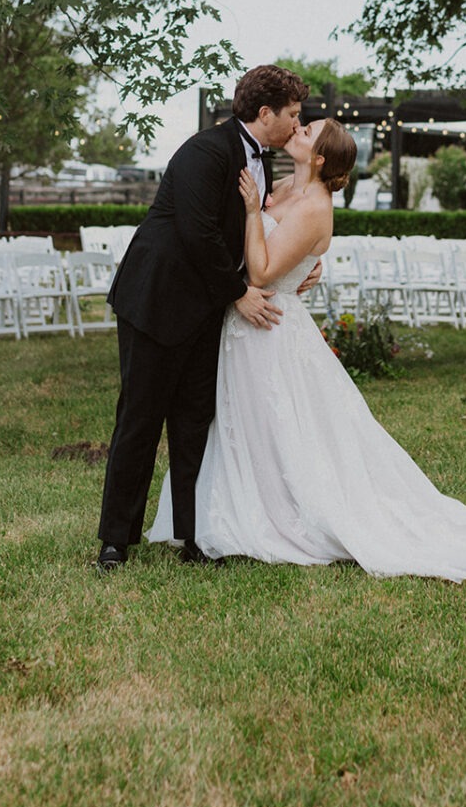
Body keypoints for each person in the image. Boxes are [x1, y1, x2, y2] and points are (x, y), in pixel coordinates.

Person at [149, 118, 466, 583]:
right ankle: (235, 513)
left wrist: (258, 225)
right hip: (243, 326)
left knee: (287, 428)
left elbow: (262, 271)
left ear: (322, 157)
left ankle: (284, 520)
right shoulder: (277, 185)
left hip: (273, 325)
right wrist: (281, 246)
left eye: (309, 131)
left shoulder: (315, 206)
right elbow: (256, 248)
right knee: (246, 427)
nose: (299, 130)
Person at [95, 64, 310, 572]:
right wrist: (238, 292)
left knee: (196, 425)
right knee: (140, 419)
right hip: (158, 301)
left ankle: (196, 537)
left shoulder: (259, 163)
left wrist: (300, 266)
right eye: (294, 115)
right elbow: (197, 232)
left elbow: (259, 233)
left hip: (204, 310)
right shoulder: (205, 151)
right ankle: (115, 540)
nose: (298, 124)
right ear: (265, 113)